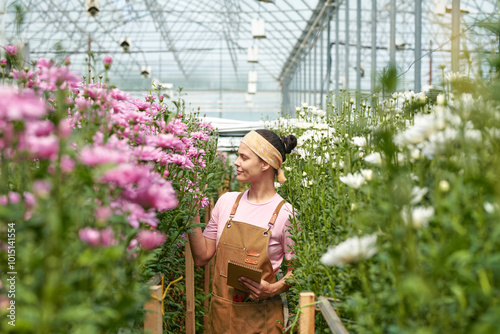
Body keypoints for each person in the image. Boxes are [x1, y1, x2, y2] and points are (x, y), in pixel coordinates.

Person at [188, 129, 298, 333]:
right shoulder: (226, 203)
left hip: (261, 321)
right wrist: (191, 213)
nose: (236, 162)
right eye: (238, 155)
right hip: (221, 317)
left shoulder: (285, 214)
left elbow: (297, 271)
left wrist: (272, 289)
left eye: (244, 157)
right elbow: (202, 257)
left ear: (265, 163)